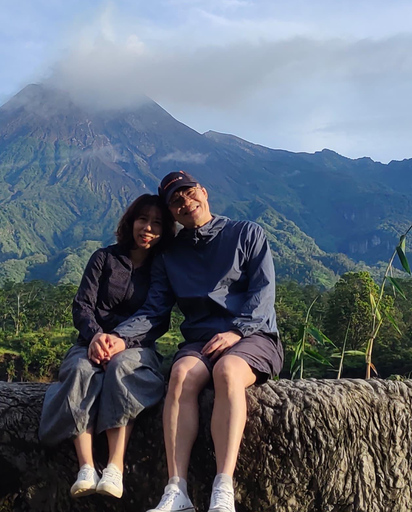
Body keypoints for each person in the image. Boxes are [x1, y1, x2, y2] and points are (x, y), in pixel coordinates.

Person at [99, 171, 284, 512]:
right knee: (181, 374)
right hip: (200, 342)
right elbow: (155, 309)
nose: (184, 202)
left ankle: (222, 486)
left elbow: (263, 294)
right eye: (175, 200)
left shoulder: (246, 234)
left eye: (187, 193)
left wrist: (237, 332)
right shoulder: (170, 255)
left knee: (228, 371)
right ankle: (176, 489)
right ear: (171, 213)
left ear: (203, 191)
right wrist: (118, 338)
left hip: (253, 335)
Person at [38, 194, 175, 499]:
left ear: (165, 230)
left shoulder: (162, 269)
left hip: (135, 347)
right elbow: (82, 305)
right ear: (131, 221)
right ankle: (86, 467)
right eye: (143, 219)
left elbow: (156, 315)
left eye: (157, 223)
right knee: (77, 369)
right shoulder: (103, 258)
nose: (148, 228)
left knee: (121, 367)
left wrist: (121, 340)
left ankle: (115, 467)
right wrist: (97, 336)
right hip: (90, 342)